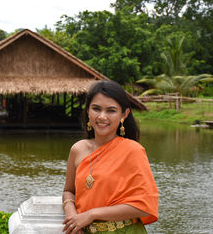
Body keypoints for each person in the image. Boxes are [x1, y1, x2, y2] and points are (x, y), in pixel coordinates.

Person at [62, 80, 158, 234]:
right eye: (96, 109)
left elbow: (144, 206)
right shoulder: (78, 149)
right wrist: (71, 214)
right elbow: (68, 191)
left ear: (124, 114)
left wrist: (91, 214)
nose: (102, 117)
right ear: (88, 111)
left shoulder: (133, 151)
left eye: (111, 111)